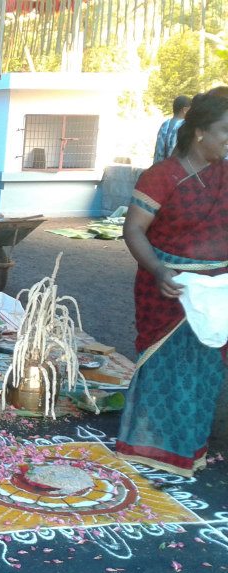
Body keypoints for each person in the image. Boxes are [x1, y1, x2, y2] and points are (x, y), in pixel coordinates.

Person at [116, 91, 228, 476]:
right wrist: (161, 272)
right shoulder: (162, 176)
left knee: (205, 369)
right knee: (166, 368)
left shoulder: (227, 175)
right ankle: (152, 445)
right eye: (225, 132)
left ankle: (189, 449)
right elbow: (134, 230)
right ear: (199, 132)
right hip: (167, 286)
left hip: (217, 291)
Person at [153, 95, 190, 164]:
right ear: (185, 110)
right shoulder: (187, 125)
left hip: (164, 168)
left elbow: (159, 151)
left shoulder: (165, 125)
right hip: (179, 169)